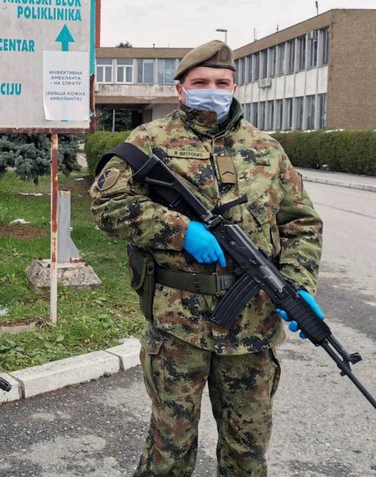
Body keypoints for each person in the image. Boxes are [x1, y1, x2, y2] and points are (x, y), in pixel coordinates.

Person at [90, 40, 324, 476]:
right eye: (200, 82)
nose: (211, 89)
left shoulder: (267, 149)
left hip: (253, 331)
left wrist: (299, 283)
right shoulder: (148, 141)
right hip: (178, 327)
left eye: (221, 82)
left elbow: (301, 224)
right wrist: (181, 231)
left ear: (235, 86)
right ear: (180, 89)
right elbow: (106, 206)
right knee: (169, 450)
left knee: (247, 453)